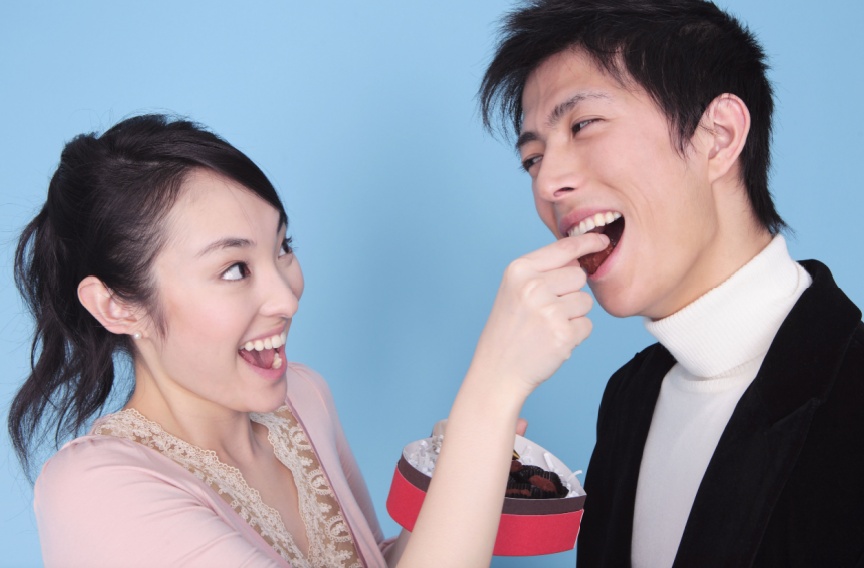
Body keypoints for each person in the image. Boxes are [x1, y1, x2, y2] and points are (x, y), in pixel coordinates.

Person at [8, 113, 610, 567]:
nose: (287, 296)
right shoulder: (95, 493)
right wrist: (491, 391)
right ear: (116, 305)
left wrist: (464, 471)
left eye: (283, 248)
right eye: (235, 269)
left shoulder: (303, 398)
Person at [479, 0, 864, 566]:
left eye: (582, 125)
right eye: (533, 158)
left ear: (719, 134)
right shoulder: (629, 399)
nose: (548, 183)